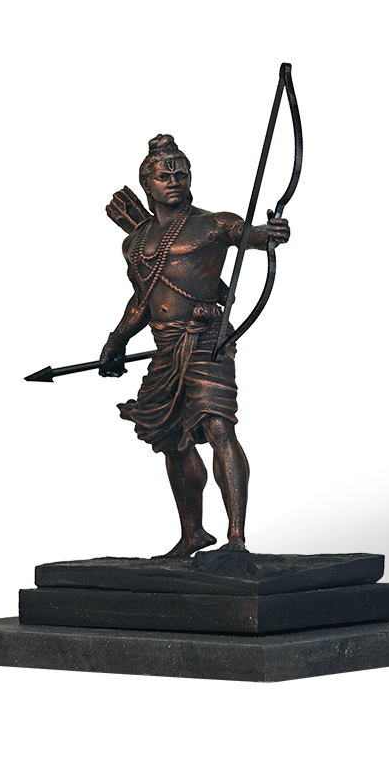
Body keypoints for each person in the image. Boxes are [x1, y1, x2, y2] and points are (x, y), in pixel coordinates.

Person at [98, 134, 290, 558]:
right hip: (166, 348)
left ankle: (236, 538)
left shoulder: (212, 224)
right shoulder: (136, 243)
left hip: (206, 338)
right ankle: (193, 534)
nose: (174, 181)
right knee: (170, 438)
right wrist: (115, 341)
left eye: (181, 174)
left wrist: (269, 233)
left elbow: (248, 234)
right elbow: (142, 301)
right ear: (147, 185)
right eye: (164, 176)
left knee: (218, 426)